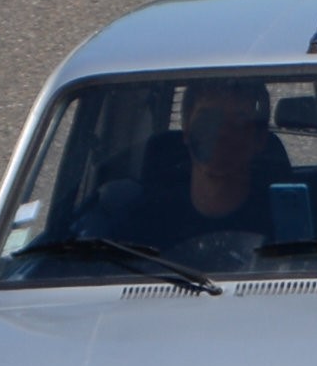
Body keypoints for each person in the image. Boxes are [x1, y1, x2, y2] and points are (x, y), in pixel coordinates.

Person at [94, 78, 284, 253]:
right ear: (186, 129)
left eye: (239, 122)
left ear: (260, 139)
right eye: (209, 120)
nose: (222, 135)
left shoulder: (286, 224)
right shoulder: (139, 224)